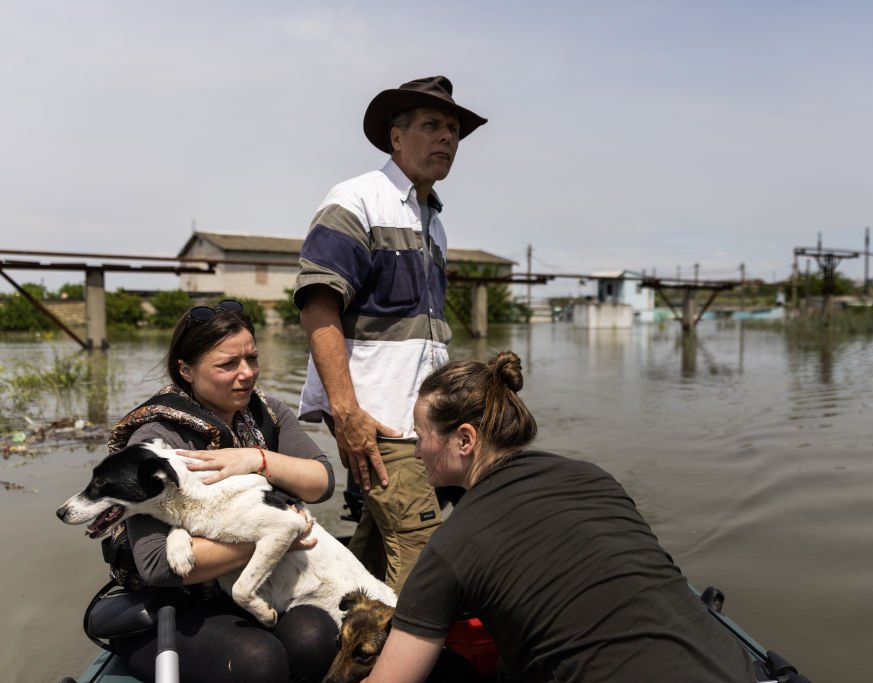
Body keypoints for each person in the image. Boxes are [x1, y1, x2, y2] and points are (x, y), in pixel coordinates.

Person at [364, 352, 759, 683]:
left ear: (465, 440)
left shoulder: (451, 547)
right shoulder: (594, 478)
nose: (416, 452)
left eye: (421, 436)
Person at [294, 75, 487, 592]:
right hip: (376, 416)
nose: (447, 138)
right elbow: (318, 306)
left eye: (453, 129)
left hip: (421, 416)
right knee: (420, 543)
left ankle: (342, 638)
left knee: (381, 542)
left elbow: (425, 337)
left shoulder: (434, 223)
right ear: (396, 137)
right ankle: (398, 667)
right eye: (432, 126)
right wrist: (346, 412)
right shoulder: (357, 199)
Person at [101, 300, 338, 683]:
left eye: (252, 359)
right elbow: (159, 565)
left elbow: (322, 483)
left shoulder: (267, 413)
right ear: (186, 370)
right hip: (175, 605)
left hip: (258, 583)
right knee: (257, 661)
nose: (246, 374)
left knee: (319, 638)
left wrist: (258, 458)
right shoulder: (157, 439)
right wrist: (279, 536)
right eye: (227, 365)